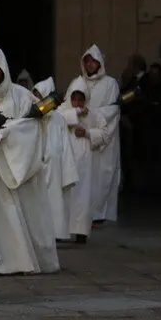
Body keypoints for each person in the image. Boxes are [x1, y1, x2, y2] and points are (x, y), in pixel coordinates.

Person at [0, 48, 58, 275]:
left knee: (18, 215)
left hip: (14, 164)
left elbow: (32, 124)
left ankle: (20, 259)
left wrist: (6, 133)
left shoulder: (20, 95)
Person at [58, 77, 108, 243]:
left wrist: (87, 133)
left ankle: (81, 231)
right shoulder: (62, 111)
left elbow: (105, 134)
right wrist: (77, 113)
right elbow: (58, 122)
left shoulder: (94, 114)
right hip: (66, 159)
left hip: (86, 162)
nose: (77, 102)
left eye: (81, 99)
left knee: (83, 196)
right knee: (64, 195)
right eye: (74, 98)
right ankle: (61, 230)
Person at [31, 77, 78, 242]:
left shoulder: (58, 119)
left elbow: (65, 146)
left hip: (54, 165)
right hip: (37, 164)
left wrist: (68, 171)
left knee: (55, 199)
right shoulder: (31, 117)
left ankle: (56, 232)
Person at [79, 45, 121, 226]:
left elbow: (113, 108)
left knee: (102, 176)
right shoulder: (79, 82)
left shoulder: (110, 83)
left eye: (93, 61)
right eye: (87, 61)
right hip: (82, 137)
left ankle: (98, 214)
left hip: (103, 138)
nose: (90, 64)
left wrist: (91, 116)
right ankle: (82, 214)